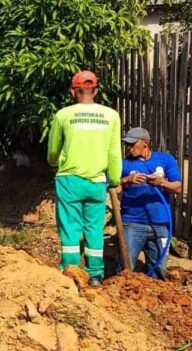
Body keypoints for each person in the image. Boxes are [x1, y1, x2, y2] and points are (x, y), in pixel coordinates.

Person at [47, 70, 122, 286]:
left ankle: (70, 271)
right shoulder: (111, 116)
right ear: (96, 90)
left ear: (73, 91)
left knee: (70, 227)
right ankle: (95, 274)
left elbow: (53, 151)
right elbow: (115, 153)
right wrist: (114, 180)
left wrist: (54, 162)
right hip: (97, 182)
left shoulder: (63, 115)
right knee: (94, 228)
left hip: (69, 180)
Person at [119, 127, 181, 279]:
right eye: (127, 144)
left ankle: (156, 301)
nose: (129, 148)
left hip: (160, 224)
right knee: (125, 269)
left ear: (145, 143)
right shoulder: (123, 164)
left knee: (159, 269)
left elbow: (178, 187)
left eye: (133, 144)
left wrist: (161, 183)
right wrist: (126, 180)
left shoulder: (166, 159)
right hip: (132, 223)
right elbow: (112, 189)